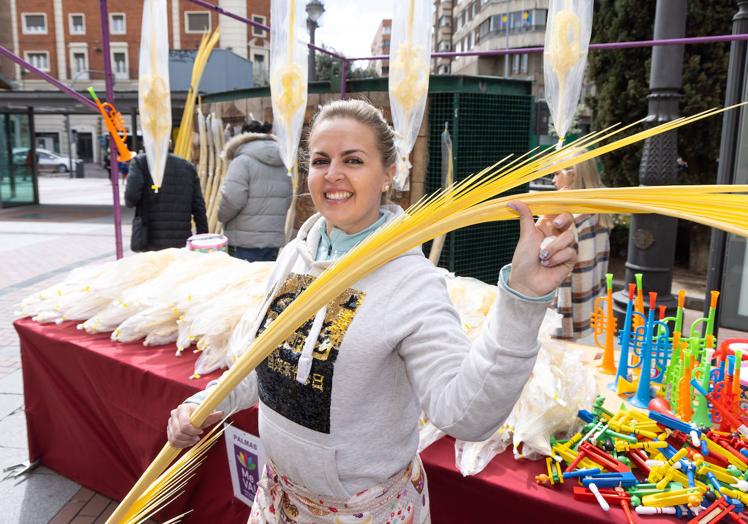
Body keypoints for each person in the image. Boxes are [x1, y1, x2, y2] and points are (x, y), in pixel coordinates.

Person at [167, 99, 577, 523]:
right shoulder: (293, 257)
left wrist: (522, 301)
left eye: (354, 160)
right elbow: (263, 362)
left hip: (363, 514)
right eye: (321, 160)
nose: (333, 175)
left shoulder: (411, 282)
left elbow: (465, 414)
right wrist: (209, 402)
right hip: (278, 502)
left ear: (388, 175)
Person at [551, 155, 613, 340]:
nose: (553, 180)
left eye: (556, 174)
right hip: (591, 311)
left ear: (573, 175)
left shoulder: (571, 222)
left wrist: (558, 324)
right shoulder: (600, 213)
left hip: (567, 320)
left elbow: (564, 280)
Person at [217, 120, 291, 262]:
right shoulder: (282, 162)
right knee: (265, 281)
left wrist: (221, 216)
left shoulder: (241, 161)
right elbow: (287, 198)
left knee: (243, 282)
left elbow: (232, 199)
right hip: (273, 241)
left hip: (244, 242)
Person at [125, 152, 209, 251]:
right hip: (181, 243)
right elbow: (199, 208)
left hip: (150, 242)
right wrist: (203, 239)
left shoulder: (140, 163)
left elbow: (130, 200)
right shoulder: (187, 167)